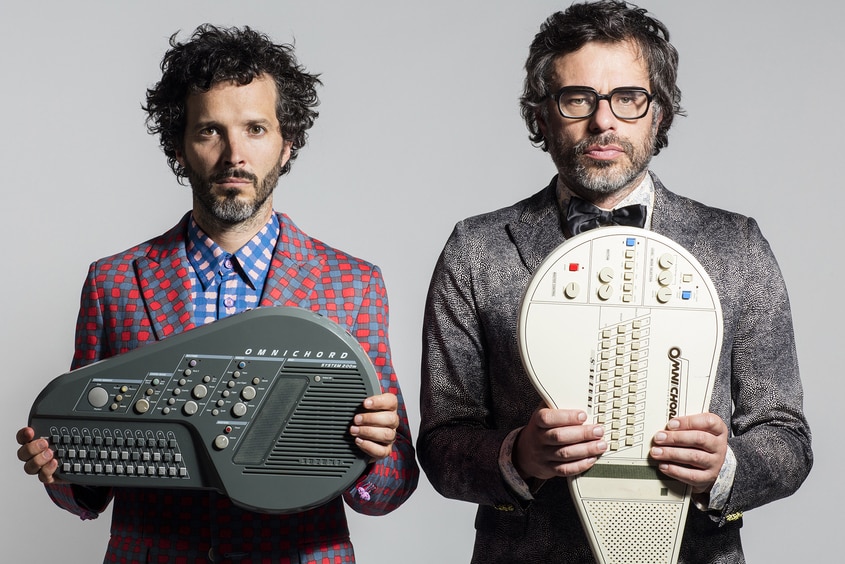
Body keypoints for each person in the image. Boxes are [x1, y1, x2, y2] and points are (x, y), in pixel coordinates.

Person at [417, 1, 812, 562]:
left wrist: (723, 466)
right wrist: (516, 455)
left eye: (628, 98)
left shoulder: (737, 247)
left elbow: (787, 439)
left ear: (659, 114)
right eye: (577, 98)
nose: (604, 121)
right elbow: (440, 443)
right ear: (541, 116)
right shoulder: (475, 250)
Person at [16, 24, 418, 563]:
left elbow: (390, 489)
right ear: (179, 146)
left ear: (286, 141)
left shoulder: (352, 283)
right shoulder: (114, 282)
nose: (235, 154)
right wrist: (62, 468)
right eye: (210, 131)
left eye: (255, 128)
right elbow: (86, 481)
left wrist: (374, 453)